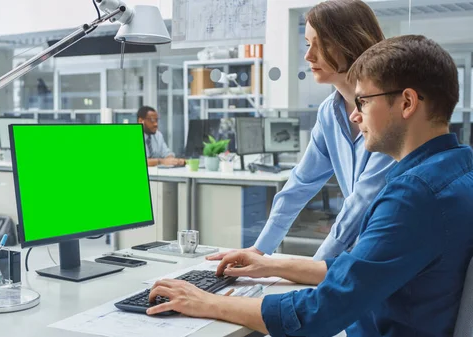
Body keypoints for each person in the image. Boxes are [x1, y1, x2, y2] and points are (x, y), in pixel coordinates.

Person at [147, 35, 473, 336]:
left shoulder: (413, 196)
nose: (355, 117)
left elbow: (318, 314)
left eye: (363, 102)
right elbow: (365, 268)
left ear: (406, 103)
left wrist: (204, 301)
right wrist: (272, 264)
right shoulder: (458, 167)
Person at [208, 0, 395, 262]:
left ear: (351, 42)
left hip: (390, 252)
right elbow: (300, 183)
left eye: (322, 44)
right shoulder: (330, 113)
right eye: (308, 44)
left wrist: (311, 269)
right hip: (358, 254)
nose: (309, 56)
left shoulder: (389, 110)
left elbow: (362, 202)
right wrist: (261, 248)